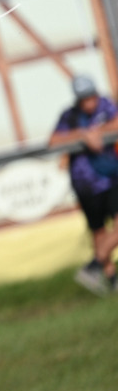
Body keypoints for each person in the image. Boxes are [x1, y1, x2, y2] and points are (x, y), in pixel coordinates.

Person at [49, 74, 118, 294]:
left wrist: (97, 132)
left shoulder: (106, 106)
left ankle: (94, 265)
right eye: (84, 99)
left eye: (91, 97)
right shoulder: (69, 117)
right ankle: (111, 279)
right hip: (85, 184)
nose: (89, 102)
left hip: (111, 177)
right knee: (98, 231)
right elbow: (53, 141)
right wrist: (82, 134)